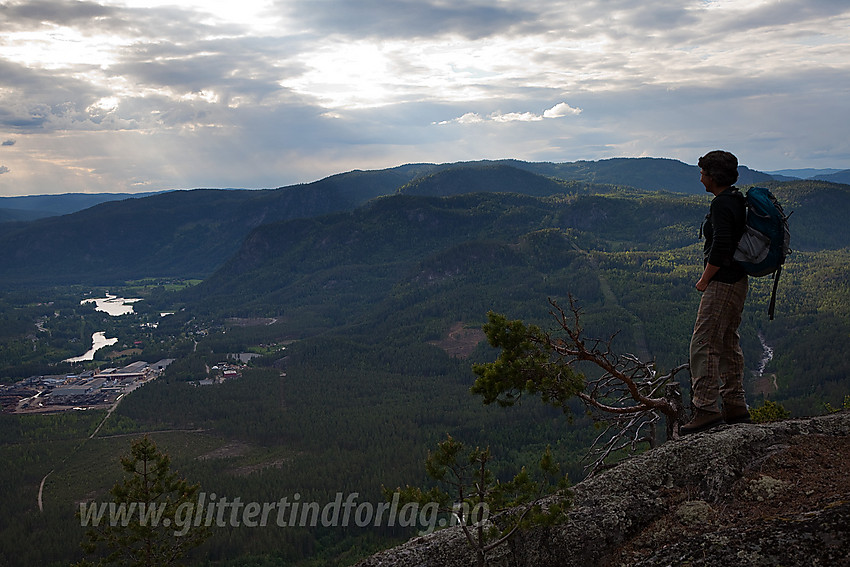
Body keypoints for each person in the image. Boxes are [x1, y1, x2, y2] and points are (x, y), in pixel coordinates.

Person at [682, 150, 751, 435]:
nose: (700, 179)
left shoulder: (723, 203)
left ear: (713, 176)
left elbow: (722, 244)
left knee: (703, 343)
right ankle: (735, 405)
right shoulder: (735, 199)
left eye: (702, 174)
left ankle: (706, 409)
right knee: (726, 341)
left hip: (722, 281)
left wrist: (704, 279)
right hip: (737, 281)